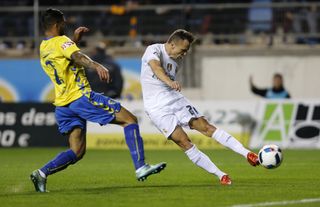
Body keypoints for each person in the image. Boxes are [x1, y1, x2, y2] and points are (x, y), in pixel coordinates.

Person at [30, 8, 166, 193]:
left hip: (63, 104)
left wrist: (74, 41)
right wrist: (96, 65)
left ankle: (42, 173)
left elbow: (65, 59)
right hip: (81, 96)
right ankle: (141, 166)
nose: (65, 25)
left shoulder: (44, 47)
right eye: (63, 22)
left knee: (77, 152)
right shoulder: (62, 42)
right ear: (56, 24)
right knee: (129, 120)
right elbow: (77, 56)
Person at [140, 29, 259, 186]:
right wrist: (169, 82)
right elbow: (155, 67)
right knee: (184, 142)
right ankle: (221, 175)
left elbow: (165, 73)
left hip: (174, 99)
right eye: (183, 50)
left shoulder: (176, 61)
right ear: (172, 44)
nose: (184, 54)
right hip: (156, 108)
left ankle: (248, 154)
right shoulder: (154, 49)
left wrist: (170, 85)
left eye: (187, 51)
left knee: (206, 127)